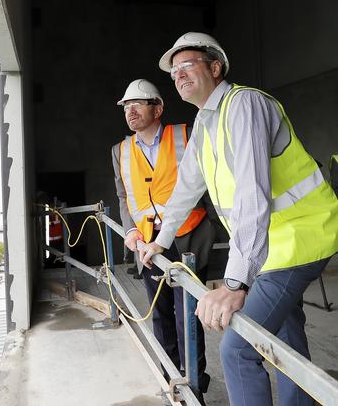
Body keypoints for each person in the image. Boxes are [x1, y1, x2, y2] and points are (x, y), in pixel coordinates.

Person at [140, 32, 338, 405]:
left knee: (238, 349)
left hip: (299, 240)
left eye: (188, 65)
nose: (179, 74)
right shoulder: (204, 123)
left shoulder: (244, 104)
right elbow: (185, 188)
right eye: (174, 71)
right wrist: (162, 240)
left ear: (215, 68)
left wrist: (235, 283)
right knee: (285, 336)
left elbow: (252, 194)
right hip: (272, 247)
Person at [111, 79, 214, 397]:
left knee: (189, 312)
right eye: (127, 106)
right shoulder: (120, 150)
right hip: (148, 241)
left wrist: (216, 225)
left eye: (138, 104)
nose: (131, 111)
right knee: (159, 310)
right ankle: (169, 378)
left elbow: (209, 181)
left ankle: (194, 384)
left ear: (158, 108)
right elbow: (123, 194)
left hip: (189, 236)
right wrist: (129, 229)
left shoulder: (186, 134)